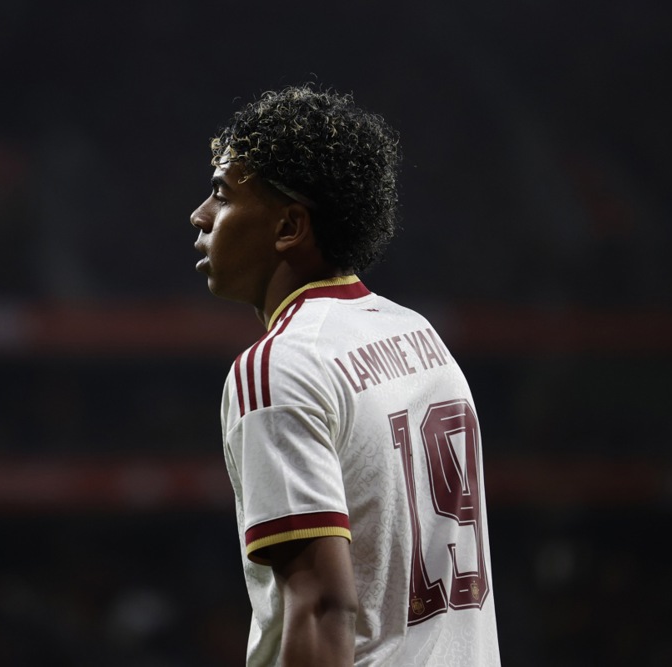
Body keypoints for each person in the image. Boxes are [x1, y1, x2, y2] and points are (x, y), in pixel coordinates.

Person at [190, 84, 501, 666]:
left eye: (222, 194)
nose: (200, 215)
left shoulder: (279, 367)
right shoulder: (418, 335)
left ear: (289, 226)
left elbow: (324, 605)